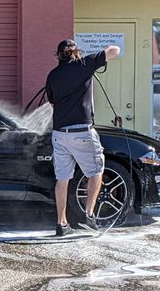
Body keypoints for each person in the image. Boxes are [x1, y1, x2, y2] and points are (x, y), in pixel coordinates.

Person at [45, 39, 121, 236]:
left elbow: (53, 103)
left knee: (62, 179)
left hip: (60, 134)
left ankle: (62, 224)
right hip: (82, 132)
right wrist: (92, 57)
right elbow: (115, 50)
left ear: (58, 55)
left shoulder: (52, 75)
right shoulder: (84, 64)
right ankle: (89, 215)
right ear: (75, 52)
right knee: (95, 172)